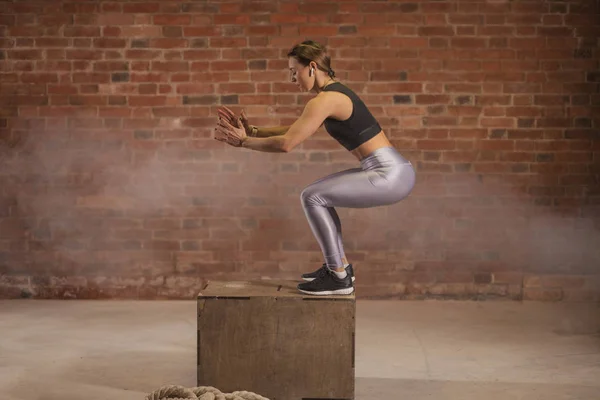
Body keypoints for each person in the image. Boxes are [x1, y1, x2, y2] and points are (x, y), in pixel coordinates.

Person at [215, 40, 416, 296]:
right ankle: (339, 268)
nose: (291, 78)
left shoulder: (326, 100)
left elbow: (287, 143)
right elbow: (294, 128)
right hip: (391, 170)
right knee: (316, 195)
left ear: (311, 67)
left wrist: (243, 142)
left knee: (313, 196)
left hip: (390, 174)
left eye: (293, 70)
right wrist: (252, 130)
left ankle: (338, 276)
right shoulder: (333, 95)